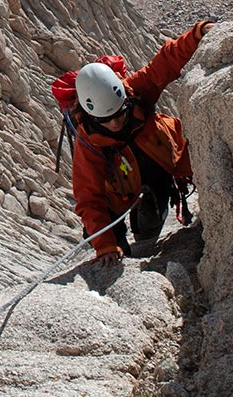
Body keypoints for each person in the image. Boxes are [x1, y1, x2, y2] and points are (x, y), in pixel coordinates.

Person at [51, 20, 215, 266]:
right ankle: (125, 245)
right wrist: (105, 244)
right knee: (113, 249)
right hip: (117, 190)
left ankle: (145, 238)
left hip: (157, 164)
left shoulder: (135, 91)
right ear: (92, 116)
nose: (116, 124)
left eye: (120, 115)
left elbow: (166, 63)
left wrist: (197, 34)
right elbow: (89, 196)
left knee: (154, 217)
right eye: (107, 120)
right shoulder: (89, 141)